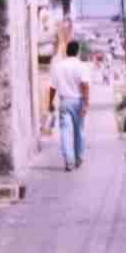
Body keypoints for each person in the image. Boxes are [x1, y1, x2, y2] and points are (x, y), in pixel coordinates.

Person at [48, 40, 90, 172]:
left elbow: (52, 87)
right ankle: (78, 158)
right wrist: (86, 103)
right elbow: (85, 85)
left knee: (65, 132)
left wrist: (50, 103)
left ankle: (69, 161)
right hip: (78, 101)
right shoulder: (82, 66)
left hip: (64, 101)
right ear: (77, 52)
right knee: (79, 131)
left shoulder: (58, 66)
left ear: (67, 51)